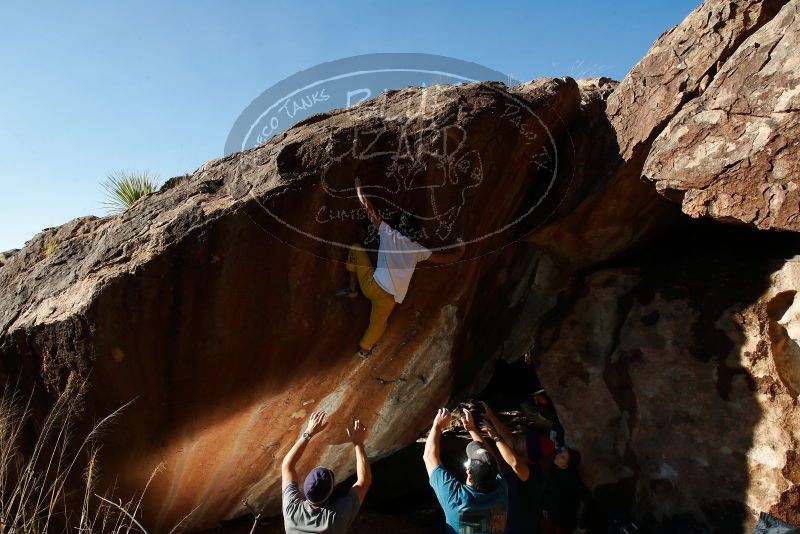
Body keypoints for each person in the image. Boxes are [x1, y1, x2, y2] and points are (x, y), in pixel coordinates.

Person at [339, 177, 465, 357]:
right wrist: (460, 251)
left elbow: (369, 209)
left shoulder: (388, 233)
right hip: (390, 298)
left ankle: (352, 289)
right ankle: (365, 349)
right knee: (378, 325)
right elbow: (445, 259)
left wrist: (359, 188)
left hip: (372, 286)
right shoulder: (417, 249)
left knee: (356, 249)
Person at [281, 411, 372, 533]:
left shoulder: (291, 511)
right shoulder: (334, 519)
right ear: (330, 493)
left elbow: (287, 466)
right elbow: (364, 481)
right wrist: (358, 442)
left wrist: (308, 433)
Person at [423, 407, 508, 534]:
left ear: (468, 471)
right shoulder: (501, 489)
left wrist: (437, 426)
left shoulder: (457, 501)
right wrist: (472, 429)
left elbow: (429, 457)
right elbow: (491, 461)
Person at [477, 402, 556, 534]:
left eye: (522, 440)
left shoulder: (532, 472)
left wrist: (494, 436)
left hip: (518, 526)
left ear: (529, 451)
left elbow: (513, 462)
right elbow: (510, 439)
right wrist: (491, 417)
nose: (518, 438)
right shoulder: (525, 458)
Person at [541, 447, 591, 534]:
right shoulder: (554, 469)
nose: (558, 455)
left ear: (568, 465)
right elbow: (548, 491)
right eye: (561, 452)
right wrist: (545, 506)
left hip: (564, 525)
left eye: (563, 457)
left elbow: (588, 499)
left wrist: (583, 524)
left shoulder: (573, 479)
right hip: (552, 520)